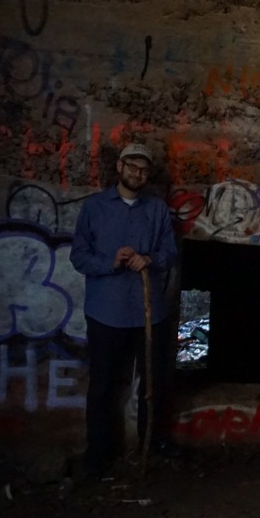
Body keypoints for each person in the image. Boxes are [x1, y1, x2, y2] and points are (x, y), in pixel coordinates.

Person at [70, 142, 182, 478]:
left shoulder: (158, 209)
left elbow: (169, 253)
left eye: (144, 169)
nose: (138, 173)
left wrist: (150, 259)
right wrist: (110, 261)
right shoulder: (95, 208)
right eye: (132, 166)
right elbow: (78, 256)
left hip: (150, 313)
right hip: (107, 312)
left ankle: (155, 441)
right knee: (103, 384)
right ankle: (99, 451)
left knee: (155, 382)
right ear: (119, 167)